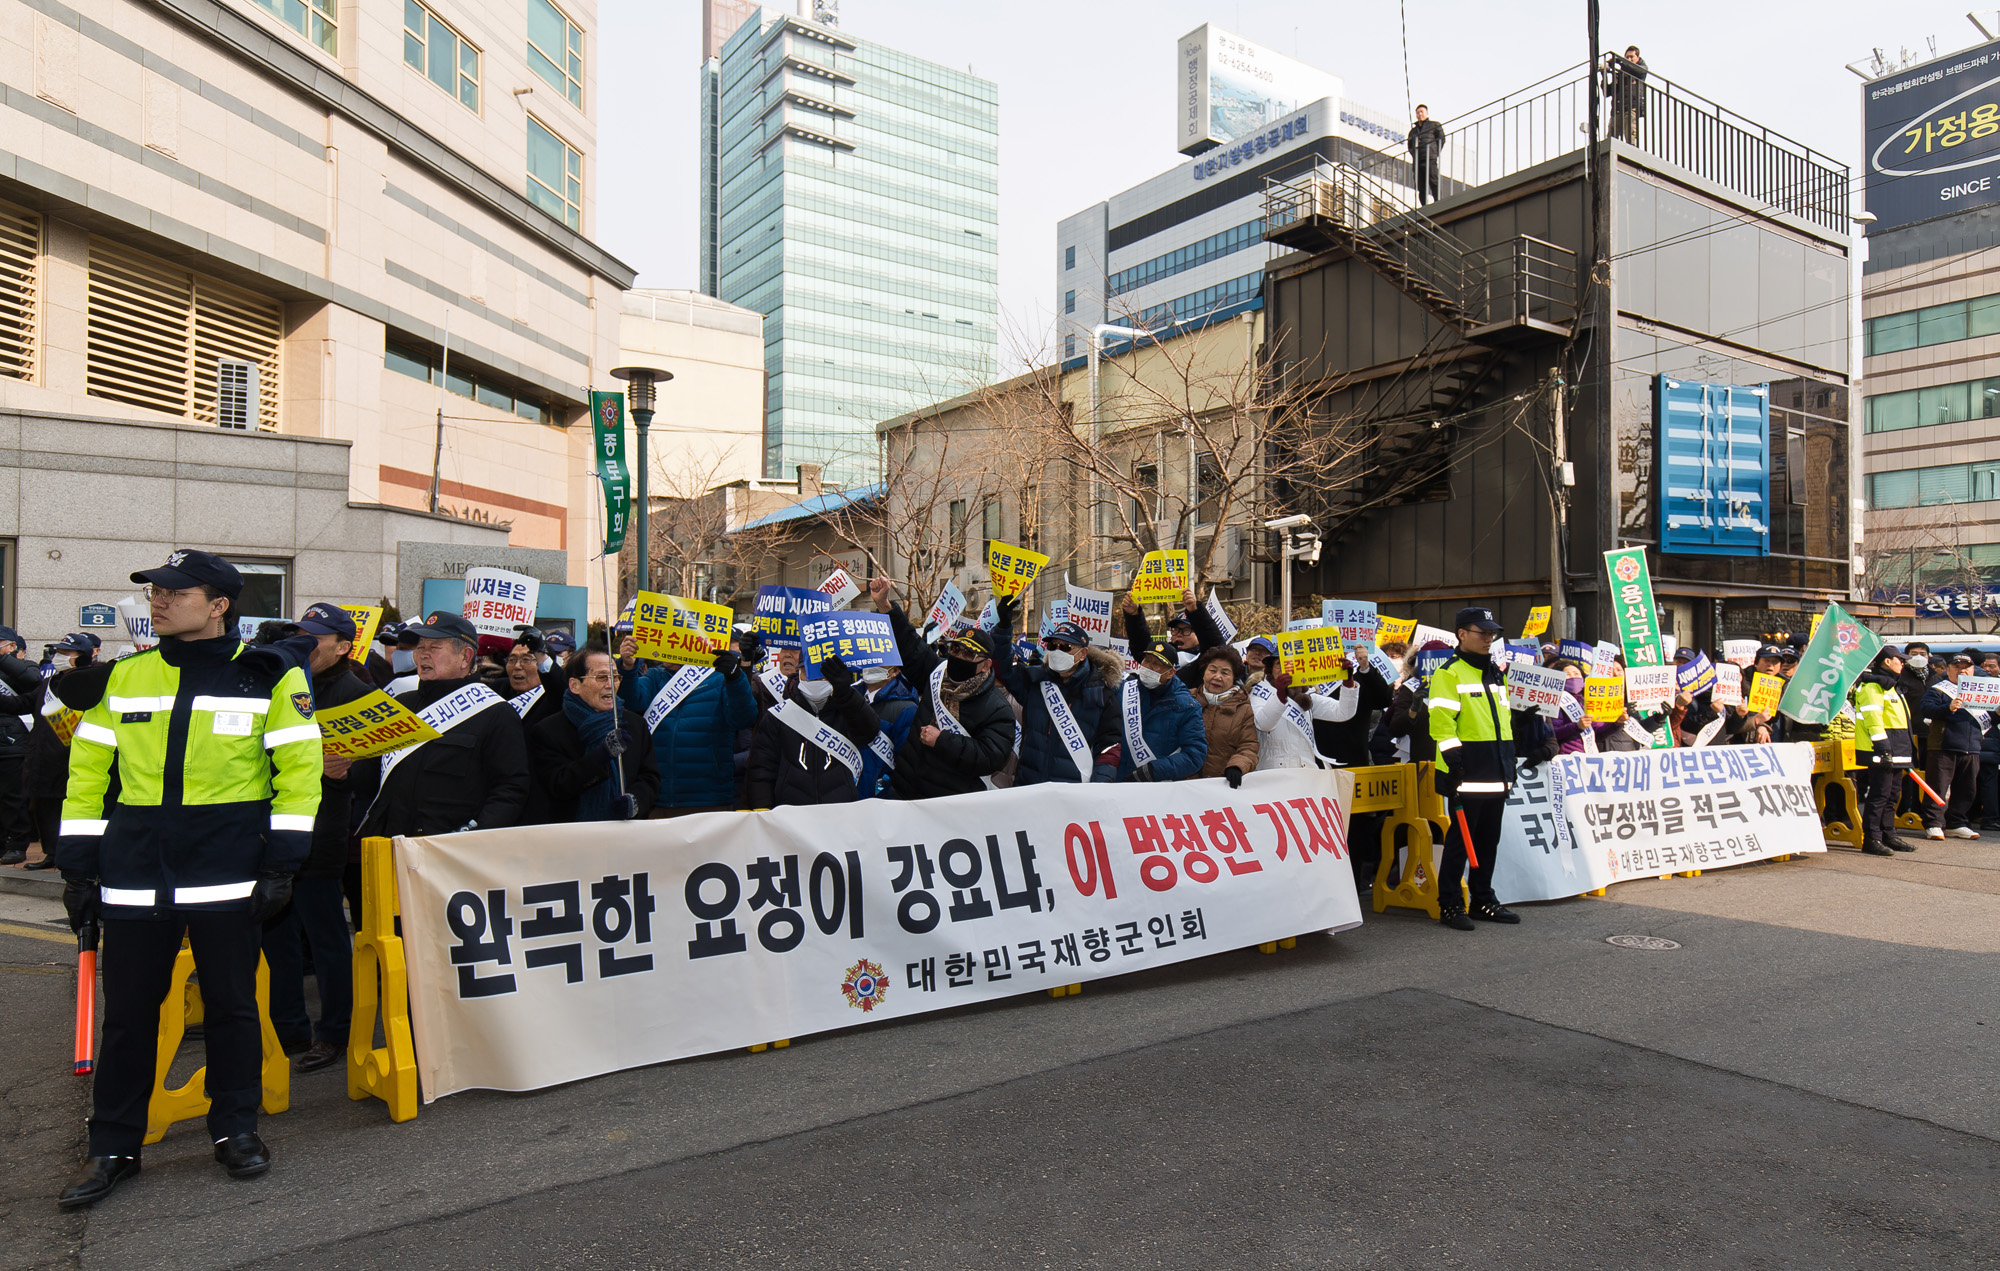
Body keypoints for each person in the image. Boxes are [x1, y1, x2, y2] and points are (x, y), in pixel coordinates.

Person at [55, 551, 323, 1206]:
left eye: (176, 590)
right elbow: (88, 774)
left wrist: (282, 863)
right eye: (155, 591)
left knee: (233, 1008)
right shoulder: (127, 674)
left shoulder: (267, 675)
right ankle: (113, 1145)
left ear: (220, 603)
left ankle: (235, 1129)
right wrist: (78, 867)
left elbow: (299, 773)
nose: (160, 600)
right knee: (127, 1018)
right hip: (133, 871)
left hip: (227, 871)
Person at [259, 604, 375, 1073]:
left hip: (323, 835)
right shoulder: (281, 679)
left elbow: (377, 770)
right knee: (277, 936)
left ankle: (335, 1032)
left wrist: (346, 771)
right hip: (272, 831)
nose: (304, 644)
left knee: (326, 939)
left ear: (343, 646)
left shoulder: (358, 693)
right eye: (299, 635)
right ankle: (288, 1028)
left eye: (315, 638)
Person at [359, 611, 530, 840]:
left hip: (450, 848)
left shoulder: (495, 713)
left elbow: (510, 788)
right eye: (420, 647)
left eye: (434, 648)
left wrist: (474, 836)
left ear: (465, 656)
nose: (423, 656)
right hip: (391, 843)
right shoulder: (402, 705)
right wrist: (341, 771)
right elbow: (372, 772)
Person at [872, 577, 1016, 798]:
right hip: (904, 789)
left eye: (968, 654)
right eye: (956, 649)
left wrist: (943, 741)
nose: (958, 656)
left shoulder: (998, 709)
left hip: (947, 803)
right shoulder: (937, 672)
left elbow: (990, 757)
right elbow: (910, 645)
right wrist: (885, 605)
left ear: (986, 665)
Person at [1427, 606, 1518, 930]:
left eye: (1491, 633)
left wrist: (1510, 760)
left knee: (1488, 841)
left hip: (1495, 771)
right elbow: (1440, 725)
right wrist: (1454, 762)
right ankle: (1449, 904)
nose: (1488, 638)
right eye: (1482, 632)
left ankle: (1482, 899)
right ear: (1462, 634)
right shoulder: (1448, 673)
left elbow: (1501, 722)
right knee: (1460, 843)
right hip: (1466, 772)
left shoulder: (1495, 672)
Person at [616, 633, 754, 816]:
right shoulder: (655, 677)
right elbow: (631, 702)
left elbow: (744, 718)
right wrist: (628, 667)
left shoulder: (719, 678)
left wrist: (736, 678)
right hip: (658, 796)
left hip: (709, 798)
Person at [531, 644, 657, 822]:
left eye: (615, 677)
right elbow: (557, 786)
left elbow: (650, 778)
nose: (610, 685)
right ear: (575, 685)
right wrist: (600, 757)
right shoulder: (548, 730)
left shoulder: (635, 724)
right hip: (571, 834)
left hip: (627, 835)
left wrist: (635, 802)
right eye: (601, 677)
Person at [992, 615, 1123, 785]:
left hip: (1071, 795)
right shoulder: (1035, 681)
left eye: (1066, 647)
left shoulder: (1101, 695)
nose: (1057, 651)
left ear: (1083, 654)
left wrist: (1098, 788)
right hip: (1029, 786)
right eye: (1053, 646)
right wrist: (1003, 626)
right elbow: (1002, 668)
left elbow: (1109, 748)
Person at [747, 655, 880, 808]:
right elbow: (762, 768)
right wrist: (763, 807)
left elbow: (869, 732)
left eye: (822, 674)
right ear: (799, 673)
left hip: (841, 810)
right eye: (809, 672)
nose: (816, 680)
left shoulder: (847, 709)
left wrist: (846, 694)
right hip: (789, 812)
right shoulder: (778, 716)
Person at [1113, 637, 1208, 783]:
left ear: (1170, 673)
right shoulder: (1123, 690)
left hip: (1155, 786)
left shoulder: (1186, 707)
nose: (1148, 667)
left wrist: (1154, 770)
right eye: (1147, 661)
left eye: (1156, 664)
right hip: (1116, 779)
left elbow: (1195, 755)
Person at [1852, 646, 1916, 857]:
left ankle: (1889, 833)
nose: (1903, 663)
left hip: (1897, 747)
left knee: (1892, 795)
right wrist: (1882, 746)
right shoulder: (1873, 685)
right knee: (1879, 795)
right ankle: (1872, 838)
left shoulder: (1892, 686)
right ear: (1887, 661)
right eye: (1900, 659)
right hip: (1882, 747)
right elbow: (1873, 719)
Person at [1917, 654, 1982, 841]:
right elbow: (1927, 709)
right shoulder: (1938, 690)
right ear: (1948, 670)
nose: (1962, 670)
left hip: (1972, 747)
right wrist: (1948, 707)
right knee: (1937, 786)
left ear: (1973, 670)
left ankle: (1957, 823)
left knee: (1966, 789)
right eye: (1957, 666)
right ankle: (1933, 823)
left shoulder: (1980, 692)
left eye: (1966, 667)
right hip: (1943, 746)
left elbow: (1987, 720)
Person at [0, 626, 42, 864]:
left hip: (11, 743)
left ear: (12, 646)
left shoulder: (24, 667)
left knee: (12, 797)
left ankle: (17, 844)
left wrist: (3, 660)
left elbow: (32, 681)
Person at [1192, 645, 1258, 788]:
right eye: (1213, 670)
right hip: (1184, 784)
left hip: (1221, 787)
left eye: (1225, 673)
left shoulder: (1243, 709)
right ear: (1204, 673)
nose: (1217, 677)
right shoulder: (1187, 699)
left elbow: (1248, 746)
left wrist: (1237, 765)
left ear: (1234, 678)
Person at [857, 662, 919, 798]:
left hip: (881, 798)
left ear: (895, 670)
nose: (871, 664)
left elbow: (906, 765)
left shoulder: (906, 709)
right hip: (850, 795)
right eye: (869, 659)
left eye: (880, 662)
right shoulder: (849, 698)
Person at [503, 626, 564, 733]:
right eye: (512, 659)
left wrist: (539, 653)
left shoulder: (554, 697)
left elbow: (560, 687)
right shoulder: (497, 689)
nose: (517, 666)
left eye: (526, 659)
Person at [1605, 45, 1647, 144]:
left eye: (1631, 57)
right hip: (1617, 109)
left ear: (1638, 57)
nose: (1629, 59)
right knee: (1610, 139)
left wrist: (1619, 61)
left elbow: (1639, 70)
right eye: (1627, 57)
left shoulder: (1641, 68)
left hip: (1631, 107)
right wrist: (1604, 74)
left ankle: (1631, 158)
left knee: (1630, 138)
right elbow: (1608, 92)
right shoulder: (1621, 73)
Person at [1407, 103, 1446, 205]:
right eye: (1418, 112)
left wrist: (1435, 152)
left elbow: (1441, 139)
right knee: (1421, 185)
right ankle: (1424, 205)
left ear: (1427, 114)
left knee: (1433, 181)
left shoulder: (1434, 125)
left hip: (1430, 158)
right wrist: (1415, 155)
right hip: (1418, 160)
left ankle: (1438, 202)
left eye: (1422, 112)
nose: (1420, 114)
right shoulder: (1413, 131)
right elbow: (1410, 146)